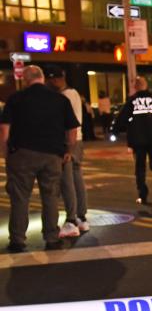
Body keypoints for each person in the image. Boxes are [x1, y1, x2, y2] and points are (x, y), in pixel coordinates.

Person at [0, 65, 79, 252]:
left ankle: (18, 239)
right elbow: (72, 130)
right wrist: (68, 150)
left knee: (20, 198)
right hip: (52, 155)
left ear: (26, 80)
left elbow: (4, 131)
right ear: (42, 78)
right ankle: (51, 237)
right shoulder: (60, 99)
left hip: (22, 154)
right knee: (50, 196)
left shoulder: (16, 99)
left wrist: (5, 153)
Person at [117, 77, 152, 205]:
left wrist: (120, 129)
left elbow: (122, 119)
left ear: (136, 86)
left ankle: (143, 194)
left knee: (140, 168)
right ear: (146, 86)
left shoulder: (133, 100)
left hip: (139, 139)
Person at [46, 66, 89, 238]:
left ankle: (71, 220)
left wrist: (66, 146)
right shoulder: (74, 93)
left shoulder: (64, 96)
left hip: (68, 141)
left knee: (67, 181)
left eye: (51, 80)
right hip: (77, 139)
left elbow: (67, 123)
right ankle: (81, 217)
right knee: (77, 178)